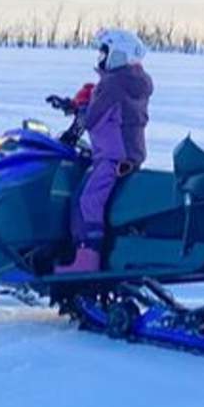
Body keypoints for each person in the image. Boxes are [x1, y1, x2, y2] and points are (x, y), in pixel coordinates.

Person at [57, 28, 153, 274]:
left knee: (86, 201)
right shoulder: (132, 81)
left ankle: (86, 259)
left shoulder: (113, 82)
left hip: (111, 157)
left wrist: (77, 107)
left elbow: (92, 118)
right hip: (126, 155)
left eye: (104, 52)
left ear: (117, 55)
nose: (100, 57)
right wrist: (75, 104)